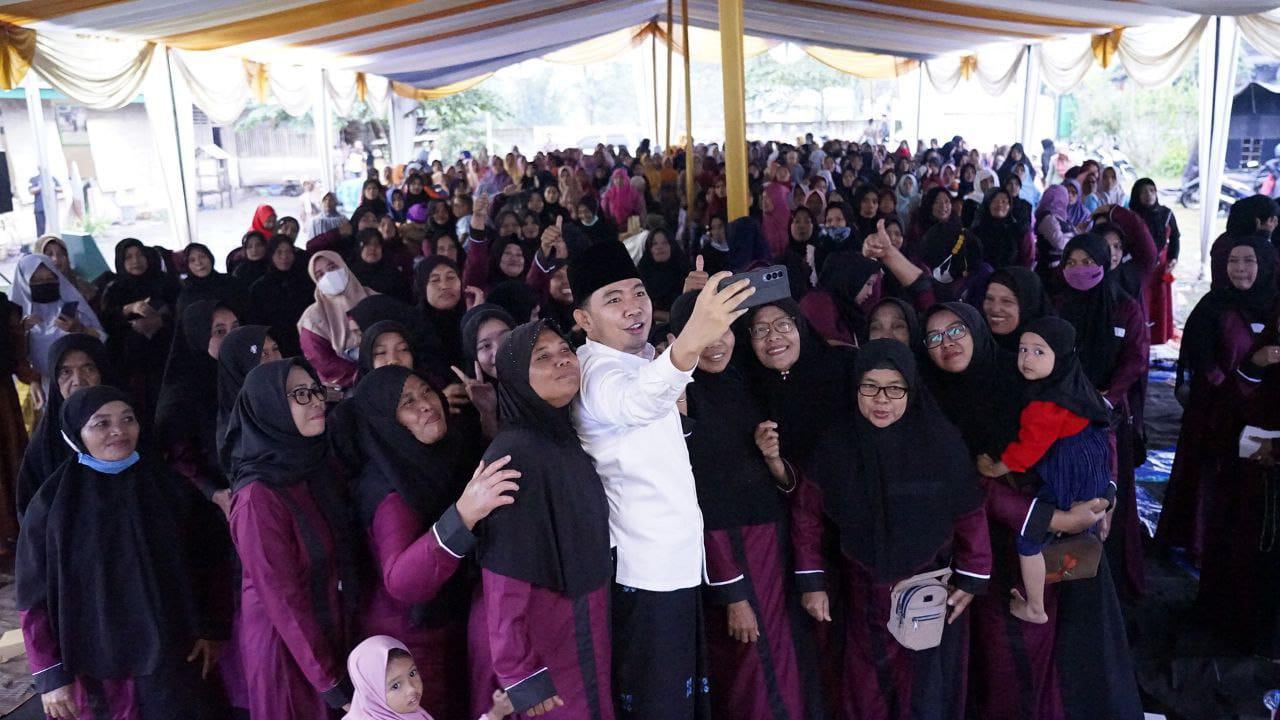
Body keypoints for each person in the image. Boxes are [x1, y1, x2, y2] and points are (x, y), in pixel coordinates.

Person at [567, 239, 751, 719]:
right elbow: (636, 402)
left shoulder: (642, 357)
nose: (634, 308)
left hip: (675, 567)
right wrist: (691, 340)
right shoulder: (593, 372)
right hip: (644, 576)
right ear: (584, 321)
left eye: (639, 293)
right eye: (614, 299)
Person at [796, 339, 991, 720]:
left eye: (894, 388)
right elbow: (807, 516)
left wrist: (972, 575)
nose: (881, 400)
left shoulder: (941, 443)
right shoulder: (836, 447)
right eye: (869, 386)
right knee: (864, 687)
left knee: (923, 691)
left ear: (911, 390)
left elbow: (969, 511)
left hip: (929, 593)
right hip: (861, 592)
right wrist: (812, 583)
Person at [17, 386, 231, 719]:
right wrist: (51, 675)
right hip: (95, 667)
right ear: (76, 433)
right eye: (101, 424)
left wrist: (212, 628)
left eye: (128, 419)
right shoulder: (52, 506)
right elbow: (33, 597)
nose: (119, 431)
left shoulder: (170, 488)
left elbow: (210, 562)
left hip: (174, 655)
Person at [667, 293, 813, 720]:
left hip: (771, 545)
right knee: (753, 668)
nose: (717, 343)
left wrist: (773, 460)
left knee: (782, 661)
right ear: (679, 339)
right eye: (704, 332)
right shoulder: (677, 401)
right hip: (729, 554)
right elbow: (694, 499)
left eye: (726, 329)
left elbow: (775, 478)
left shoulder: (742, 381)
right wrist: (731, 592)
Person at [348, 365, 518, 720]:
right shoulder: (389, 491)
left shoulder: (440, 450)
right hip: (412, 645)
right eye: (407, 402)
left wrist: (488, 417)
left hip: (450, 622)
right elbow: (402, 581)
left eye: (426, 391)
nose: (425, 404)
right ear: (386, 422)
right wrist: (463, 515)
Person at [476, 320, 614, 718]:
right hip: (549, 632)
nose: (562, 362)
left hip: (588, 618)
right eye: (543, 357)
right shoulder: (514, 453)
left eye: (565, 352)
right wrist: (518, 671)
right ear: (518, 377)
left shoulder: (562, 437)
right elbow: (503, 573)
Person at [225, 359, 355, 717]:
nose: (315, 400)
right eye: (299, 394)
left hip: (326, 633)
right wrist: (328, 679)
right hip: (289, 652)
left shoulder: (311, 466)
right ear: (269, 408)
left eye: (315, 390)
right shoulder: (257, 498)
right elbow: (283, 600)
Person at [976, 317, 1113, 624]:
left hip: (1068, 473)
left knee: (1029, 540)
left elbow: (1027, 451)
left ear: (1061, 356)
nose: (1026, 359)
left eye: (1039, 352)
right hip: (1093, 471)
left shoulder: (1045, 404)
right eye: (1023, 349)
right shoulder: (1075, 386)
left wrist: (997, 468)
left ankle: (1036, 608)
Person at [1160, 234, 1278, 565]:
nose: (1240, 269)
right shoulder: (1211, 308)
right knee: (1211, 478)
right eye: (1233, 262)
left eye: (1249, 261)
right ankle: (1202, 543)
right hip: (1217, 411)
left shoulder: (1273, 306)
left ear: (1265, 265)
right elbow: (1204, 364)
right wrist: (1233, 395)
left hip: (1266, 415)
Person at [15, 334, 112, 519]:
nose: (78, 381)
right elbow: (30, 513)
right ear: (54, 379)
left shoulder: (126, 426)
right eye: (65, 372)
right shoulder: (44, 442)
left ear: (102, 372)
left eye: (88, 368)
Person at [156, 300, 240, 512]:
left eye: (236, 327)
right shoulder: (181, 395)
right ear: (197, 336)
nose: (232, 337)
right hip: (217, 501)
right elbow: (179, 456)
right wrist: (214, 492)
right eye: (220, 331)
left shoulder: (243, 372)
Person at [99, 238, 179, 427]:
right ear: (120, 261)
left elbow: (182, 313)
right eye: (129, 257)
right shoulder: (114, 288)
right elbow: (105, 323)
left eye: (140, 255)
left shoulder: (166, 282)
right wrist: (129, 309)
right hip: (131, 366)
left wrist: (161, 321)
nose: (136, 261)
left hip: (166, 359)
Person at [343, 636, 514, 720]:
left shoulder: (408, 714)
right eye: (395, 686)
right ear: (371, 692)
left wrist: (495, 713)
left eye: (412, 673)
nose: (411, 688)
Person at [10, 254, 104, 406]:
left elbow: (102, 340)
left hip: (79, 386)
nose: (45, 284)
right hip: (38, 390)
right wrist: (20, 333)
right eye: (37, 281)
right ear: (24, 283)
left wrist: (79, 328)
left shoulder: (74, 309)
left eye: (50, 279)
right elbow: (12, 358)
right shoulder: (14, 318)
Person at [299, 251, 374, 392]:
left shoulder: (372, 297)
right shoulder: (313, 319)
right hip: (348, 387)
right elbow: (324, 362)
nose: (328, 276)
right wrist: (366, 373)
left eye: (333, 267)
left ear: (344, 266)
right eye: (320, 275)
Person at [215, 325, 280, 467]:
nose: (275, 360)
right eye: (263, 354)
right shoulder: (236, 432)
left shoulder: (287, 397)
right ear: (239, 364)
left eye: (275, 349)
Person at [1128, 178, 1179, 345]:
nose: (1148, 195)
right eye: (1143, 191)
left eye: (1152, 190)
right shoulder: (1132, 216)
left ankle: (1160, 337)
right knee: (1143, 301)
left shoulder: (1166, 214)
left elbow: (1175, 237)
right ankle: (1142, 336)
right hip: (1140, 267)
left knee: (1160, 301)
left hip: (1161, 268)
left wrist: (1173, 258)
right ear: (1136, 195)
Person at [247, 237, 314, 358]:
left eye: (289, 252)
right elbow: (256, 321)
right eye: (279, 252)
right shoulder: (260, 287)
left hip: (306, 343)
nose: (284, 257)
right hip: (275, 347)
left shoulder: (305, 282)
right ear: (271, 255)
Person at [982, 267, 1052, 353]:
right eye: (989, 298)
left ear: (1028, 306)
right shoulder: (975, 345)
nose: (995, 309)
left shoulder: (1046, 356)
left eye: (1006, 301)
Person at [35, 235, 98, 307]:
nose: (56, 259)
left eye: (61, 253)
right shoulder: (35, 293)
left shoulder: (82, 287)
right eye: (49, 254)